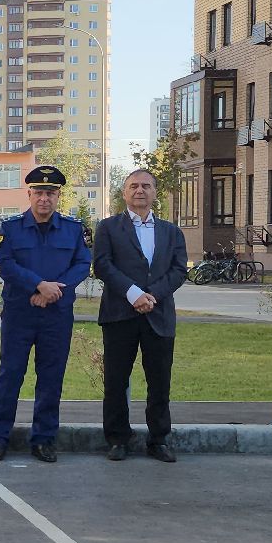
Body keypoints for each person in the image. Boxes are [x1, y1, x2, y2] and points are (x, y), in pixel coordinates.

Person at [0, 164, 90, 462]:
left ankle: (44, 439)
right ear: (29, 194)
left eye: (50, 193)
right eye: (39, 193)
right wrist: (38, 285)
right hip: (20, 313)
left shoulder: (73, 229)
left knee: (51, 378)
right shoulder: (11, 228)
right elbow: (6, 264)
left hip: (57, 314)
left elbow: (83, 264)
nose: (44, 198)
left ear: (58, 196)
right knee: (10, 375)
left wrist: (54, 291)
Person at [92, 168, 187, 463]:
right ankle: (117, 439)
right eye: (133, 186)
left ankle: (158, 440)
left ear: (155, 192)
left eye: (146, 186)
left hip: (159, 316)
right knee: (116, 381)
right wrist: (133, 294)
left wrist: (152, 295)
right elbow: (102, 265)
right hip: (120, 315)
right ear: (124, 193)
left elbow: (179, 270)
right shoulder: (108, 228)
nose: (140, 190)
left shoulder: (172, 232)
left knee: (159, 382)